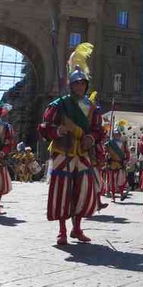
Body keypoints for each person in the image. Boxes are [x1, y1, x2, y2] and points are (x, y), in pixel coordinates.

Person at [39, 44, 104, 245]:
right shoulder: (59, 104)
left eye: (82, 84)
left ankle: (77, 228)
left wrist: (91, 138)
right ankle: (62, 231)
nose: (79, 87)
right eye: (76, 84)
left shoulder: (92, 107)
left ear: (86, 85)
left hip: (82, 152)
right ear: (71, 85)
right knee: (62, 192)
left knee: (82, 191)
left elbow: (98, 130)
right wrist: (58, 130)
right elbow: (44, 126)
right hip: (63, 150)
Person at [104, 124, 130, 202]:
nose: (116, 136)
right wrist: (106, 156)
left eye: (117, 134)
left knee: (121, 180)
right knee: (112, 181)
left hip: (120, 164)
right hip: (112, 164)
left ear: (119, 135)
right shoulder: (109, 144)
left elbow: (127, 153)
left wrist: (126, 160)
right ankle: (113, 197)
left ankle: (122, 194)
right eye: (115, 134)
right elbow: (105, 152)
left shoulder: (124, 143)